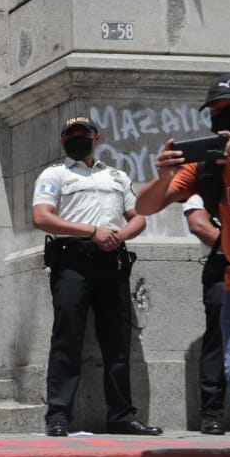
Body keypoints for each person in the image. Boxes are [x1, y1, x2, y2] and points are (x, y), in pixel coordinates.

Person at [137, 69, 230, 457]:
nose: (222, 120)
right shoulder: (210, 158)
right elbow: (145, 206)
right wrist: (160, 176)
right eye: (215, 113)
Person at [31, 115, 163, 438]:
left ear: (97, 138)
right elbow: (42, 218)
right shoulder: (55, 174)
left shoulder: (116, 176)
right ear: (63, 141)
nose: (78, 139)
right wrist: (93, 231)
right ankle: (59, 415)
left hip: (112, 261)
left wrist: (118, 235)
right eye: (72, 135)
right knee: (67, 339)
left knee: (117, 342)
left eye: (84, 134)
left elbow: (138, 217)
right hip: (73, 262)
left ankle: (121, 415)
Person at [180, 191, 228, 435]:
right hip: (223, 267)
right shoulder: (202, 196)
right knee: (217, 340)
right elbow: (199, 225)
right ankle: (212, 413)